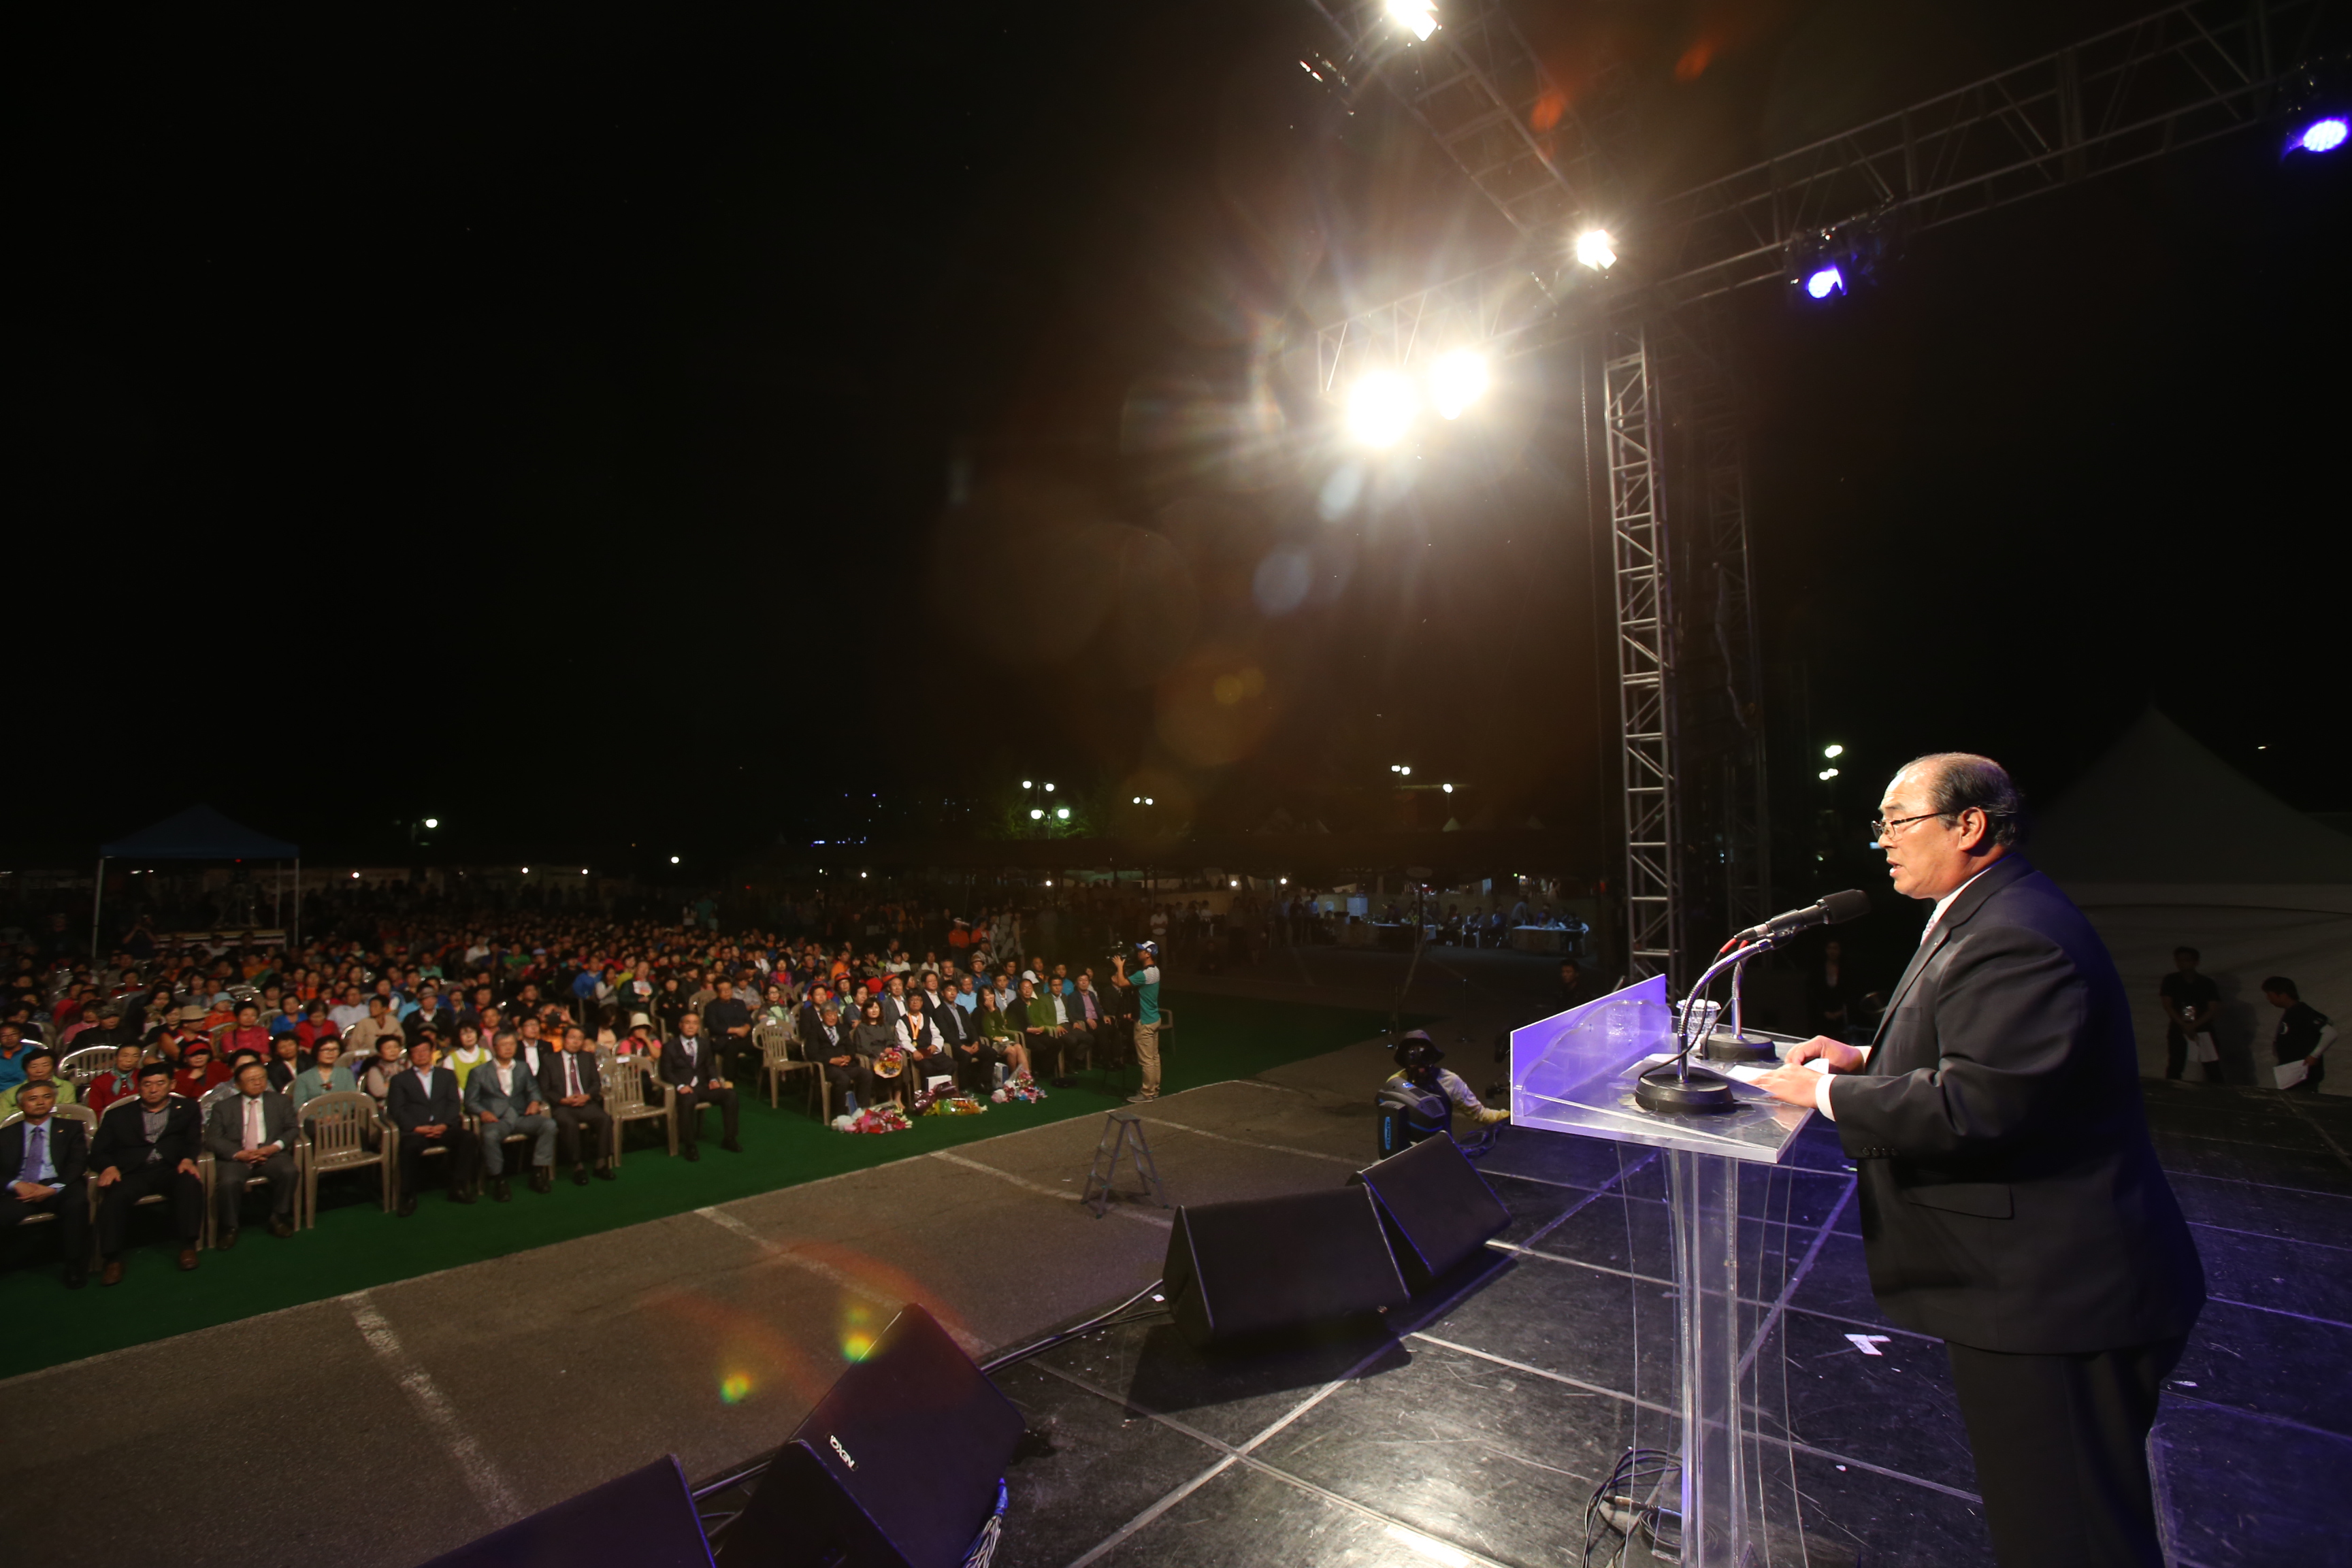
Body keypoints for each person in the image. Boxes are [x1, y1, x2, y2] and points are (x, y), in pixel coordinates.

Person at [1757, 752, 2204, 1568]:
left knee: (2067, 1539)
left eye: (1899, 821)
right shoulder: (1989, 909)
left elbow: (1976, 1105)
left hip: (2058, 1299)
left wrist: (1823, 1094)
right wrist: (1867, 1059)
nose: (1884, 841)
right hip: (2044, 1290)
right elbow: (1988, 1054)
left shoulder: (2015, 934)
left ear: (1969, 825)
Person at [91, 1062, 206, 1282]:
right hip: (132, 1172)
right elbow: (98, 1151)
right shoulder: (117, 1115)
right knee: (114, 1197)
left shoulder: (188, 1108)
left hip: (170, 1167)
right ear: (139, 1086)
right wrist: (108, 1167)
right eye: (147, 1084)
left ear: (172, 1084)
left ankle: (188, 1246)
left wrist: (188, 1159)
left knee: (190, 1183)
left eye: (160, 1083)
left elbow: (194, 1141)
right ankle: (113, 1259)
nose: (153, 1089)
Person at [1, 1079, 91, 1288]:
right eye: (33, 1099)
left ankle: (74, 1266)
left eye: (46, 1097)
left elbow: (77, 1163)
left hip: (57, 1185)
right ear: (21, 1105)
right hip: (21, 1188)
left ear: (54, 1100)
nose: (40, 1102)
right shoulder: (5, 1134)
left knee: (77, 1202)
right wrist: (14, 1185)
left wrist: (53, 1188)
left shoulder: (72, 1128)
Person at [203, 1060, 297, 1243]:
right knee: (229, 1182)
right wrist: (238, 1154)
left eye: (262, 1078)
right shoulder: (223, 1107)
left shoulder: (280, 1101)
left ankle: (278, 1218)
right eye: (252, 1080)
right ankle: (230, 1227)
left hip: (270, 1153)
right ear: (238, 1084)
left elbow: (292, 1129)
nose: (258, 1082)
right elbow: (212, 1139)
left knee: (289, 1171)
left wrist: (274, 1147)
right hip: (237, 1157)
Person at [385, 1038, 480, 1215]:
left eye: (425, 1050)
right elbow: (397, 1110)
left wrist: (444, 1124)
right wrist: (416, 1128)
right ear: (410, 1055)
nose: (421, 1055)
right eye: (416, 1051)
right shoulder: (400, 1080)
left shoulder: (447, 1075)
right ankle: (408, 1195)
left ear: (431, 1052)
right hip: (416, 1130)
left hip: (443, 1127)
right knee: (409, 1147)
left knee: (469, 1139)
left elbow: (454, 1103)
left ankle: (458, 1187)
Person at [1375, 1030, 1506, 1158]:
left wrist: (1510, 1117)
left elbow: (1480, 1114)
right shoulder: (1395, 1083)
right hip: (1405, 1155)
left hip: (1441, 1153)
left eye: (1425, 1064)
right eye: (1416, 1065)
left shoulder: (1449, 1081)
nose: (1421, 1071)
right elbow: (1388, 1124)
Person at [465, 1030, 557, 1199]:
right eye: (504, 1045)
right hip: (497, 1119)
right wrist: (483, 1112)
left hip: (521, 1116)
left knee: (549, 1125)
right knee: (489, 1136)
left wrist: (535, 1101)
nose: (509, 1048)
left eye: (512, 1044)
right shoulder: (479, 1072)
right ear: (495, 1047)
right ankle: (498, 1180)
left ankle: (538, 1172)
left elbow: (534, 1089)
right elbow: (470, 1101)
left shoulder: (523, 1067)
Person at [662, 1012, 740, 1159]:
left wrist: (713, 1080)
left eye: (695, 1023)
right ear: (680, 1025)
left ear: (698, 1026)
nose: (691, 1026)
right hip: (684, 1088)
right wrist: (680, 1086)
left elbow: (710, 1065)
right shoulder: (669, 1047)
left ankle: (730, 1139)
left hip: (703, 1086)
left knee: (730, 1095)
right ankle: (690, 1146)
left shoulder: (704, 1043)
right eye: (688, 1023)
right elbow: (666, 1072)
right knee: (688, 1100)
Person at [543, 1025, 614, 1184]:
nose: (576, 1042)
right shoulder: (549, 1060)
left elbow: (596, 1084)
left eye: (580, 1039)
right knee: (569, 1124)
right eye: (572, 1038)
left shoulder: (587, 1058)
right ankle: (578, 1167)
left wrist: (587, 1096)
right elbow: (545, 1090)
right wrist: (562, 1100)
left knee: (605, 1119)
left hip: (585, 1102)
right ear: (564, 1039)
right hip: (563, 1105)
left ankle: (601, 1164)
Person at [2159, 947, 2223, 1082]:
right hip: (2180, 1026)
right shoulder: (2171, 980)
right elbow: (2167, 1005)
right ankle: (2171, 1091)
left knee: (2212, 1065)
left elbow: (2212, 1008)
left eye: (2187, 960)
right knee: (2176, 1063)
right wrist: (2184, 1025)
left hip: (2202, 1027)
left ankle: (2218, 1092)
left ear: (2196, 962)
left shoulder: (2206, 983)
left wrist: (2193, 1025)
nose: (2182, 963)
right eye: (2179, 960)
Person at [2261, 977, 2334, 1094]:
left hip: (2302, 1076)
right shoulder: (2293, 1012)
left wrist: (2314, 1055)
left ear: (2283, 995)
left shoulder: (2301, 1011)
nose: (2268, 999)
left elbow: (2330, 1033)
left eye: (2270, 995)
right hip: (2293, 1076)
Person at [1111, 941, 1162, 1105]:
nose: (1138, 952)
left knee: (1146, 1060)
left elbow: (1121, 983)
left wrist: (1120, 966)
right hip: (1154, 1018)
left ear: (1148, 954)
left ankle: (1147, 1093)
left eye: (1141, 951)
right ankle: (1154, 1089)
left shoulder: (1144, 974)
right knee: (1154, 1057)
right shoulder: (1155, 971)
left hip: (1145, 1021)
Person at [808, 1002, 873, 1113]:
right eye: (829, 1015)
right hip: (827, 1067)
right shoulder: (814, 1031)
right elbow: (812, 1054)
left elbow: (851, 1048)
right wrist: (831, 1060)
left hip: (846, 1065)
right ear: (822, 1016)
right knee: (843, 1079)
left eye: (835, 1014)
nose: (833, 1018)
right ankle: (841, 1113)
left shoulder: (842, 1029)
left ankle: (862, 1110)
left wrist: (849, 1057)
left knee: (866, 1074)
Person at [0, 1049, 78, 1119]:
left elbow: (70, 1114)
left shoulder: (66, 1087)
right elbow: (2, 1121)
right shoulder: (8, 1094)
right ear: (25, 1070)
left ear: (53, 1068)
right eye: (34, 1067)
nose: (40, 1071)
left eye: (45, 1066)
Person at [290, 1037, 357, 1113]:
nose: (331, 1053)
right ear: (317, 1052)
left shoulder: (346, 1073)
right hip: (313, 1118)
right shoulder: (304, 1078)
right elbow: (299, 1106)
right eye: (326, 1050)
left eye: (335, 1049)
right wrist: (318, 1117)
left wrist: (338, 1114)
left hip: (342, 1118)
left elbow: (353, 1100)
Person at [84, 1041, 145, 1116]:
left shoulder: (145, 1077)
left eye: (135, 1056)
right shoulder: (99, 1082)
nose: (129, 1060)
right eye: (125, 1056)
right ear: (116, 1058)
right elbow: (96, 1112)